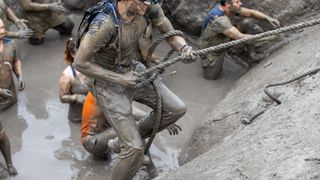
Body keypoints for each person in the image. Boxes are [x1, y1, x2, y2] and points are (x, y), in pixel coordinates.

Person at [74, 0, 196, 179]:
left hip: (132, 69)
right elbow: (80, 63)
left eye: (149, 3)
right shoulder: (105, 24)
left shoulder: (149, 7)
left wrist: (183, 47)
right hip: (106, 83)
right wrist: (120, 79)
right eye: (143, 2)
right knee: (134, 150)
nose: (146, 7)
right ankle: (127, 146)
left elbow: (170, 33)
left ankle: (118, 142)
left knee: (176, 109)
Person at [199, 0, 280, 80]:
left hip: (224, 37)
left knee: (248, 22)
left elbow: (251, 12)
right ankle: (221, 56)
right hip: (212, 50)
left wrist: (269, 18)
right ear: (228, 4)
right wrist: (269, 38)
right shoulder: (219, 19)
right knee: (211, 78)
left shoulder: (228, 8)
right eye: (237, 2)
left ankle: (252, 55)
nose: (241, 3)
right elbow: (241, 37)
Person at [0, 18, 21, 176]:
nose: (2, 30)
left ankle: (9, 163)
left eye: (3, 27)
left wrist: (20, 76)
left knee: (3, 134)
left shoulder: (10, 44)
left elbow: (16, 61)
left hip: (10, 98)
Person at [59, 38, 88, 122]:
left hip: (95, 116)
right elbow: (62, 98)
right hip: (78, 118)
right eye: (80, 53)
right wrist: (76, 97)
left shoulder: (95, 67)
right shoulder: (67, 74)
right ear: (73, 54)